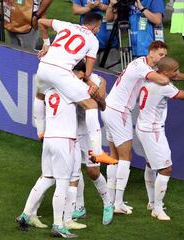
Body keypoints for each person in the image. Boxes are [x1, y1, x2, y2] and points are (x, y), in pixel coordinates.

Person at [102, 40, 184, 214]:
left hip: (111, 108)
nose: (162, 57)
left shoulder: (144, 67)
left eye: (165, 55)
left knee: (115, 157)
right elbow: (165, 79)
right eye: (160, 54)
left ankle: (112, 199)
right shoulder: (146, 71)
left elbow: (169, 75)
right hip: (120, 112)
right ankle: (118, 203)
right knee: (125, 157)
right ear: (151, 52)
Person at [34, 13, 117, 164]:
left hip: (43, 66)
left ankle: (40, 132)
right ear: (94, 26)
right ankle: (98, 152)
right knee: (91, 105)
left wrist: (46, 44)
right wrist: (88, 81)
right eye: (98, 28)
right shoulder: (93, 40)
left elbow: (40, 21)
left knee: (39, 96)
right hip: (62, 72)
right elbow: (88, 72)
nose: (98, 30)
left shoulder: (66, 24)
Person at [136, 56, 184, 220]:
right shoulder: (164, 86)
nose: (177, 72)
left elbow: (176, 76)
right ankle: (157, 208)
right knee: (166, 168)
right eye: (174, 70)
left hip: (142, 126)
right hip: (152, 131)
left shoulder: (152, 75)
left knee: (150, 164)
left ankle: (152, 202)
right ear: (164, 72)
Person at [17, 79, 79, 238]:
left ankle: (25, 214)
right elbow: (92, 103)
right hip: (64, 140)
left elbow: (37, 105)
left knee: (47, 178)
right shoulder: (71, 88)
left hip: (49, 138)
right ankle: (58, 225)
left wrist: (40, 130)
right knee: (63, 182)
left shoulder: (48, 88)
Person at [71, 71, 114, 226]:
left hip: (89, 134)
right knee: (74, 171)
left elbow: (102, 105)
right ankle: (79, 207)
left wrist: (93, 84)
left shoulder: (95, 79)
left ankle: (108, 203)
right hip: (71, 131)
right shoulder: (64, 76)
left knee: (93, 172)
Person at [72, 0, 119, 70]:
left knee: (112, 74)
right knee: (88, 74)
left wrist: (101, 6)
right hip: (87, 45)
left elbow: (116, 10)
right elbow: (76, 10)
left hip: (109, 44)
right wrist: (89, 8)